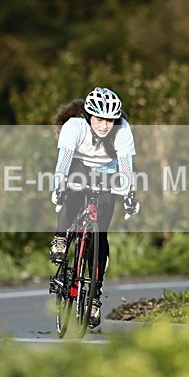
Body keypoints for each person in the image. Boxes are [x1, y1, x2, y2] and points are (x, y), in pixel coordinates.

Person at [49, 87, 140, 328]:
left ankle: (95, 296)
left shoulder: (122, 130)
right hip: (79, 166)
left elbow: (126, 167)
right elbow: (64, 162)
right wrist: (60, 186)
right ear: (88, 116)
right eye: (99, 119)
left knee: (100, 233)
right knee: (72, 194)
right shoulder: (74, 127)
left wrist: (130, 194)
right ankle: (60, 238)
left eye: (109, 120)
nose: (104, 125)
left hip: (106, 173)